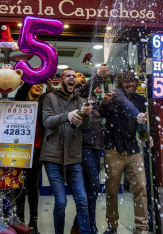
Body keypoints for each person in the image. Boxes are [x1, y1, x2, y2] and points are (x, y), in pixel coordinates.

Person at [41, 67, 93, 234]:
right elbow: (47, 121)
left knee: (83, 200)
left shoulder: (81, 100)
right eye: (68, 76)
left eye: (73, 76)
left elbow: (86, 126)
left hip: (74, 157)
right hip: (52, 156)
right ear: (61, 80)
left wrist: (86, 116)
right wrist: (67, 115)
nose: (72, 78)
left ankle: (85, 232)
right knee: (61, 201)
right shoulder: (49, 98)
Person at [100, 70, 151, 234]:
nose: (130, 85)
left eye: (132, 81)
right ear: (120, 84)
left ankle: (142, 227)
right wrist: (104, 104)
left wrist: (146, 136)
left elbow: (141, 123)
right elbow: (101, 114)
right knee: (112, 190)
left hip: (133, 150)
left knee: (141, 187)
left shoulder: (140, 99)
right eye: (126, 82)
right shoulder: (113, 97)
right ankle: (112, 225)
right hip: (112, 149)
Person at [70, 65, 110, 234]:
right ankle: (90, 228)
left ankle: (79, 226)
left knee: (89, 189)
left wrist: (105, 103)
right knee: (92, 187)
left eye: (81, 75)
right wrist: (98, 75)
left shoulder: (92, 95)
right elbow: (86, 89)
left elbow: (99, 115)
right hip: (84, 146)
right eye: (76, 75)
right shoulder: (77, 94)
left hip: (95, 147)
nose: (80, 77)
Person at [13, 79, 53, 234]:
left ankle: (33, 222)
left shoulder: (43, 102)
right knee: (20, 185)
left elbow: (48, 99)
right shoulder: (21, 100)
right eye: (35, 84)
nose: (38, 86)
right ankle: (20, 219)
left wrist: (48, 89)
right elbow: (22, 92)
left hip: (37, 150)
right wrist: (34, 78)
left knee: (32, 185)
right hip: (20, 149)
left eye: (39, 84)